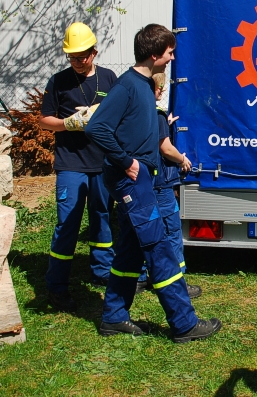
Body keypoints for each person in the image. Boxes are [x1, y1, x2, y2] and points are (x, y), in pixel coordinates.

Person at [85, 24, 221, 342]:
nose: (172, 58)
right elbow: (96, 127)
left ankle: (114, 317)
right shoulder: (128, 86)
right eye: (170, 52)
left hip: (143, 179)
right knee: (159, 249)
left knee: (130, 252)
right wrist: (126, 161)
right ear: (154, 54)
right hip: (132, 181)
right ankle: (184, 324)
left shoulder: (145, 86)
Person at [39, 22, 117, 313]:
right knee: (68, 223)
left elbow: (120, 113)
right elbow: (44, 120)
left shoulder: (109, 78)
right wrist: (68, 123)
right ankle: (57, 286)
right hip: (71, 163)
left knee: (102, 217)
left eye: (82, 56)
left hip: (102, 162)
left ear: (94, 52)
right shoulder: (58, 82)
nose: (77, 61)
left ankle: (102, 272)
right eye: (72, 57)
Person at [135, 73, 201, 298]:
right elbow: (165, 149)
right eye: (160, 87)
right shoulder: (157, 115)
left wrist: (166, 125)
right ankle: (176, 281)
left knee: (144, 229)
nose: (162, 91)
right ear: (156, 90)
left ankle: (140, 277)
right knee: (171, 230)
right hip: (161, 184)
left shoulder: (134, 113)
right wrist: (182, 160)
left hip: (141, 181)